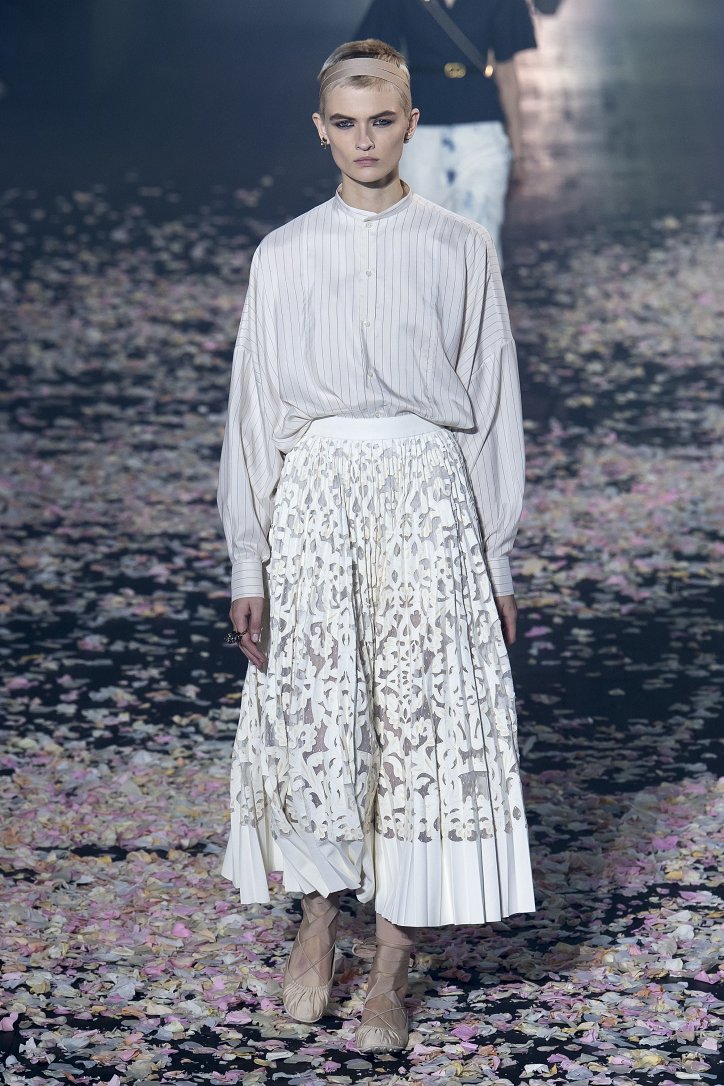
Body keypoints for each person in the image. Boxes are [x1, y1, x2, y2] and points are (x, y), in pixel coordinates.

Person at [217, 37, 535, 1054]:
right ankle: (317, 923)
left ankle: (393, 963)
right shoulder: (284, 253)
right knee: (319, 712)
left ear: (411, 124)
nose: (365, 140)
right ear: (322, 131)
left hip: (427, 501)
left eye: (382, 120)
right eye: (346, 124)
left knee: (416, 725)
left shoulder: (458, 247)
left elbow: (490, 406)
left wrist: (495, 560)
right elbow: (254, 414)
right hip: (315, 503)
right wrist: (249, 560)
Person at [354, 0, 536, 257]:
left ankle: (476, 286)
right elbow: (373, 67)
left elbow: (507, 75)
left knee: (481, 234)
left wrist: (518, 151)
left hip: (481, 125)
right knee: (421, 236)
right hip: (419, 128)